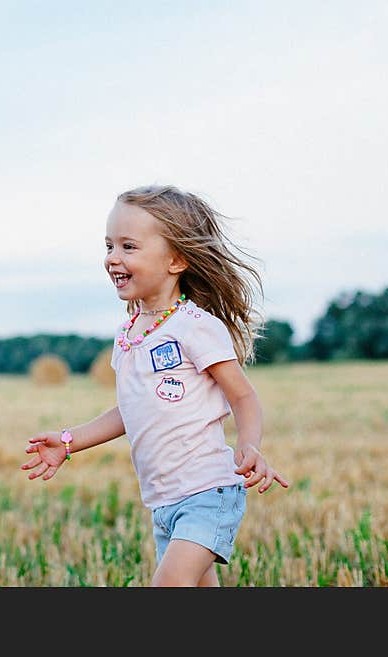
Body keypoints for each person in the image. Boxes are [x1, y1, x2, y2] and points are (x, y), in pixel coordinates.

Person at [20, 184, 288, 587]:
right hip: (163, 502)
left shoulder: (196, 327)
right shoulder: (129, 333)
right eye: (109, 246)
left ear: (176, 259)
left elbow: (242, 395)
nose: (113, 259)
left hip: (207, 492)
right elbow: (130, 409)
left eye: (129, 247)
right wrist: (70, 440)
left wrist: (249, 445)